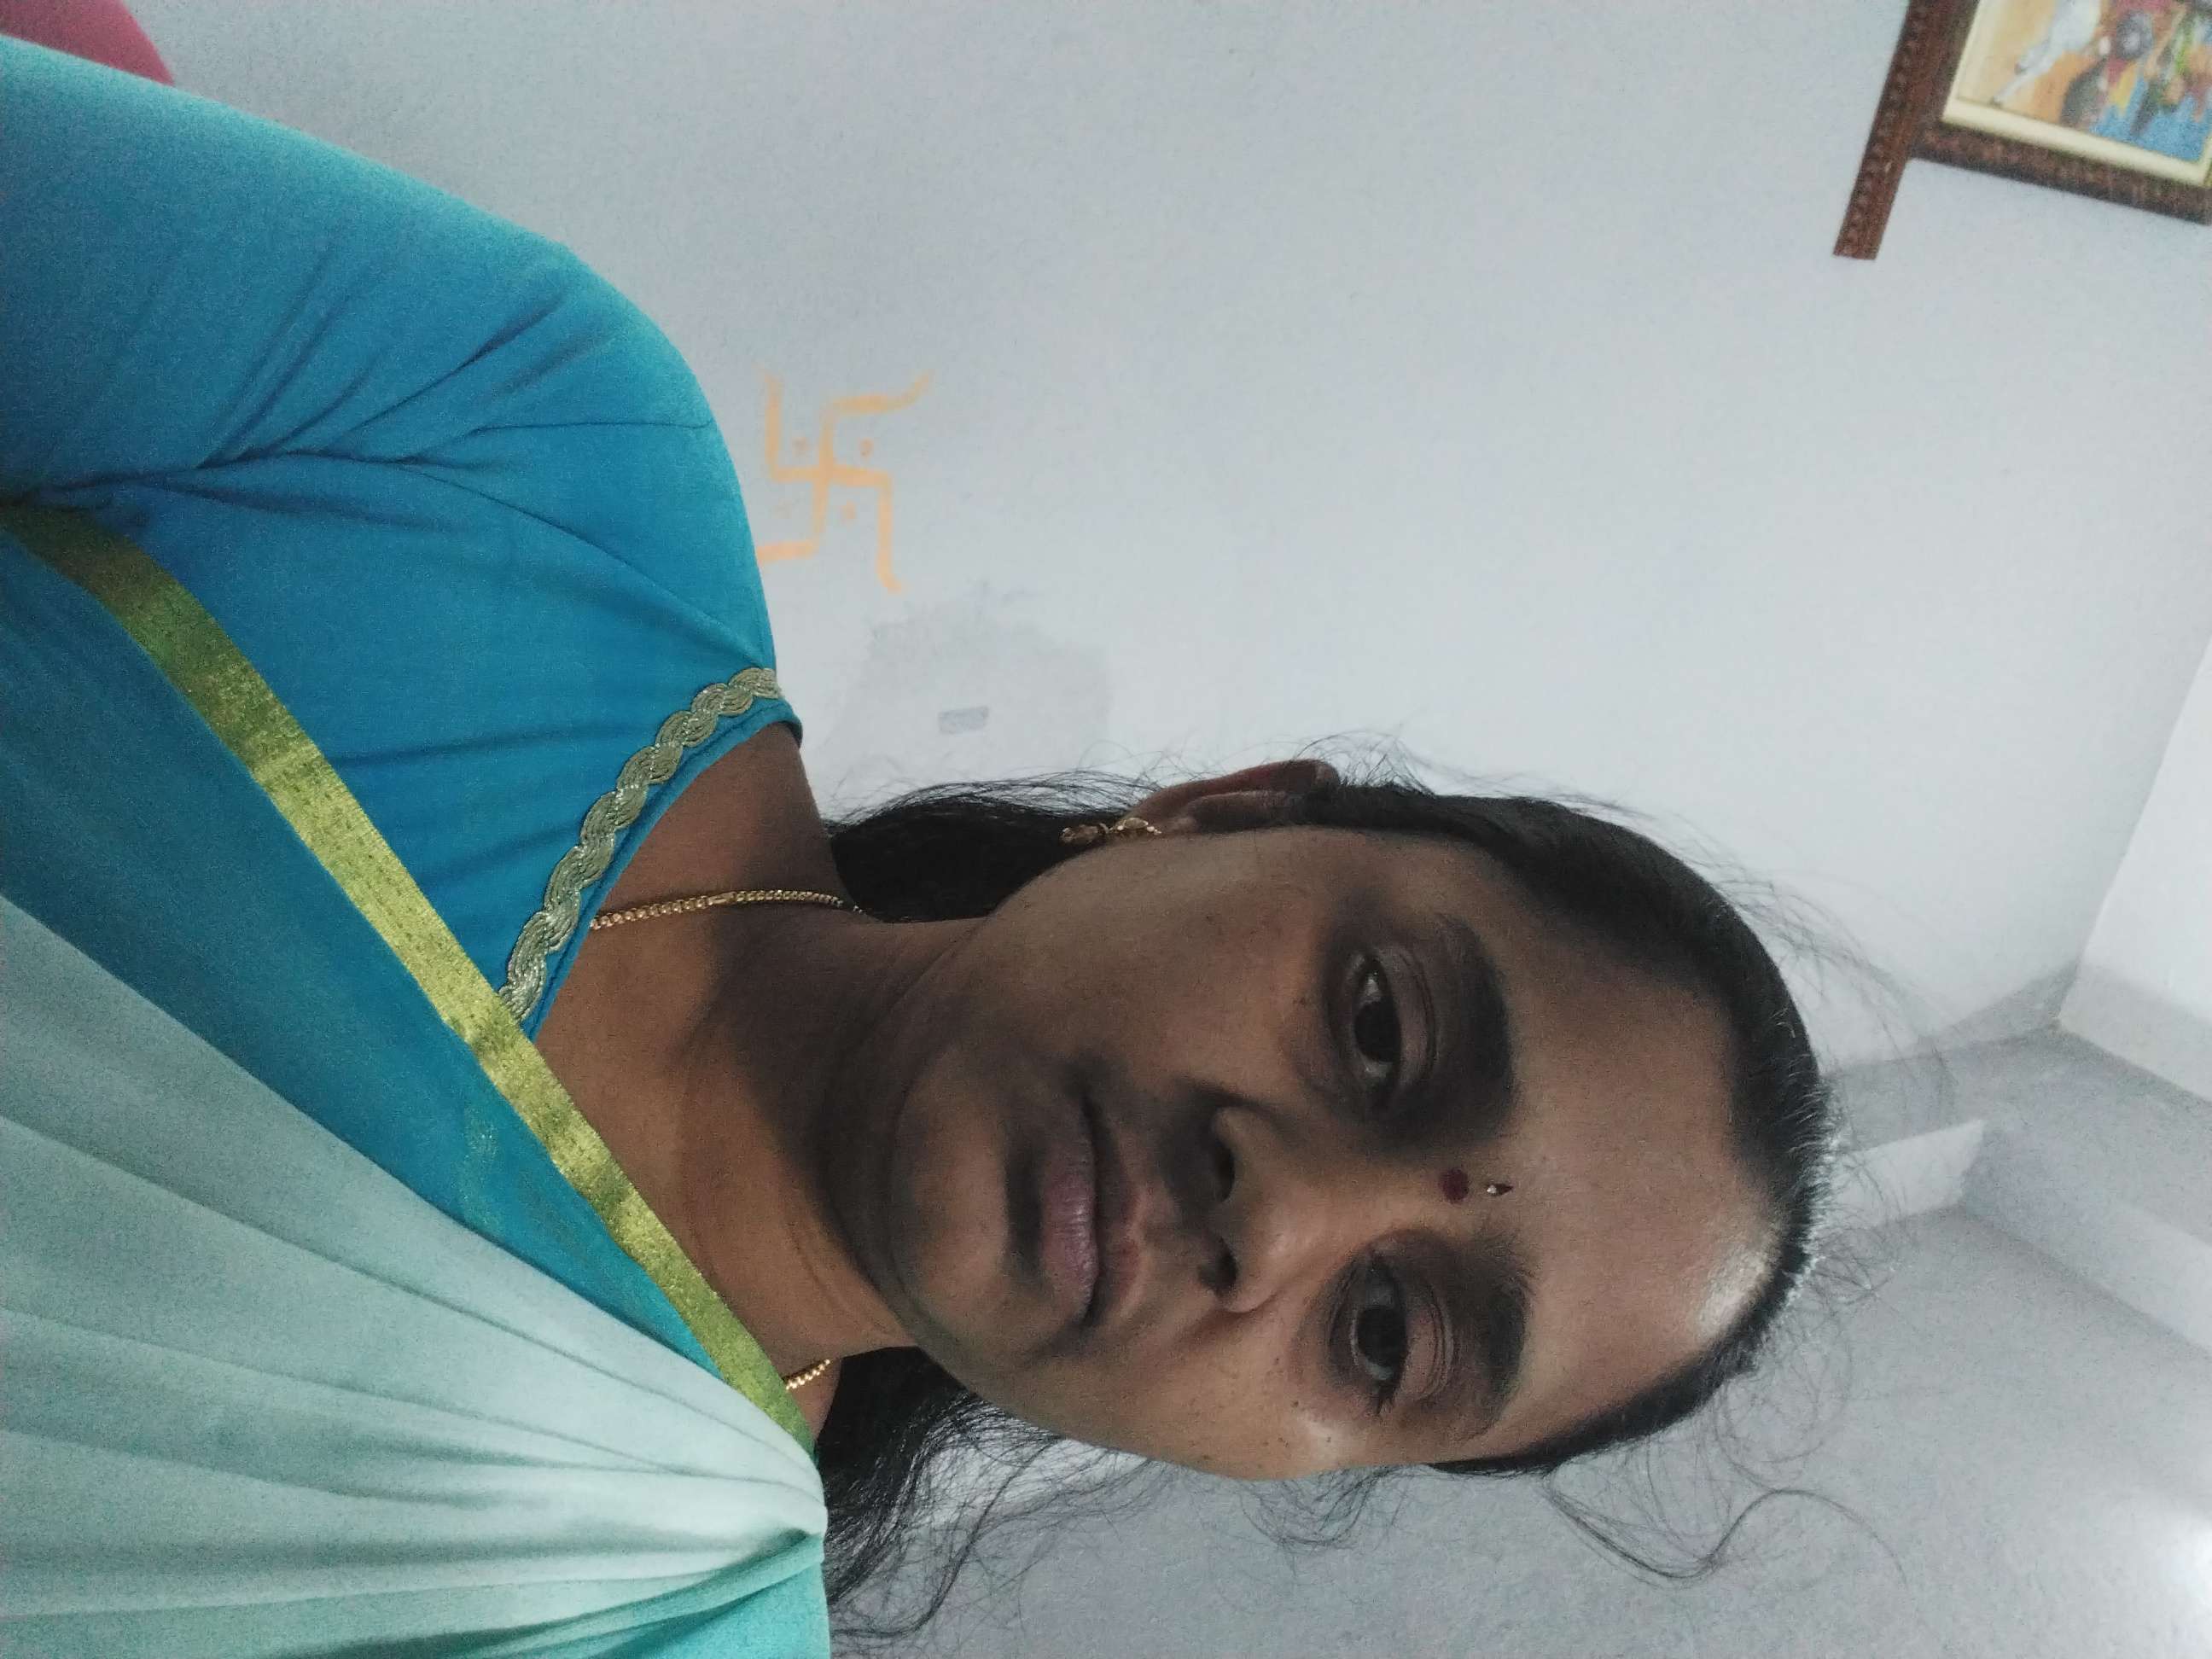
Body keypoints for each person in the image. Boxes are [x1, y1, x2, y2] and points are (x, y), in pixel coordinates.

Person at [0, 34, 1840, 1657]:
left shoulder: (639, 1615)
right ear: (1224, 813)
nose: (1273, 1218)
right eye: (1378, 1028)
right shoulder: (523, 451)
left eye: (1383, 1338)